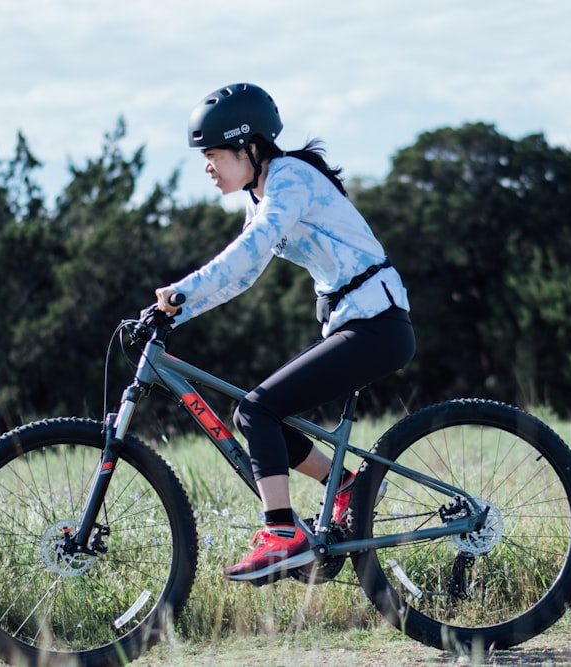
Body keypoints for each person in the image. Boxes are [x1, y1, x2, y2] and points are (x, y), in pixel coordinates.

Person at [154, 83, 415, 582]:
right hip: (357, 322)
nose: (206, 166)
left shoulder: (291, 179)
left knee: (255, 410)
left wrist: (182, 290)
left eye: (212, 154)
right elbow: (244, 277)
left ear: (249, 147)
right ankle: (351, 489)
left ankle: (282, 533)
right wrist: (172, 314)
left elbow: (250, 252)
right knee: (261, 414)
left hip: (377, 325)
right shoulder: (262, 194)